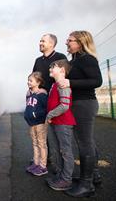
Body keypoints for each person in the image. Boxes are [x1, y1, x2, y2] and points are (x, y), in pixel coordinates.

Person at [57, 31, 103, 197]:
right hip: (77, 104)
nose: (66, 43)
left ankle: (86, 184)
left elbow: (97, 81)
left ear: (81, 42)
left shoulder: (87, 59)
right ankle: (94, 175)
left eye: (70, 40)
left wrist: (70, 82)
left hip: (85, 104)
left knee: (84, 143)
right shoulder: (73, 61)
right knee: (87, 141)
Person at [32, 33, 67, 173]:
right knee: (40, 132)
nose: (40, 43)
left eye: (43, 41)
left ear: (52, 44)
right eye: (40, 40)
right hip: (41, 100)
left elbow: (64, 77)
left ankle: (61, 167)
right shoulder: (37, 60)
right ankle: (43, 159)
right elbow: (34, 78)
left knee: (57, 132)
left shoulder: (60, 57)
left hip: (55, 99)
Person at [45, 59, 76, 191]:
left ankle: (66, 180)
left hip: (63, 123)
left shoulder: (63, 85)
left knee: (66, 152)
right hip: (56, 123)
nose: (50, 68)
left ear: (62, 70)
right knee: (57, 150)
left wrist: (50, 115)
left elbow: (64, 105)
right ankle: (62, 175)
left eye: (54, 66)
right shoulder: (54, 84)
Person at [24, 72, 49, 176]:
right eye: (28, 80)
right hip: (31, 123)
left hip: (40, 123)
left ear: (38, 82)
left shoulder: (42, 94)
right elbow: (28, 107)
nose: (28, 82)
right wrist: (27, 115)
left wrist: (35, 114)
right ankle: (36, 163)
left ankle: (43, 166)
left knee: (41, 144)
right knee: (34, 143)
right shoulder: (29, 94)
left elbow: (45, 109)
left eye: (31, 81)